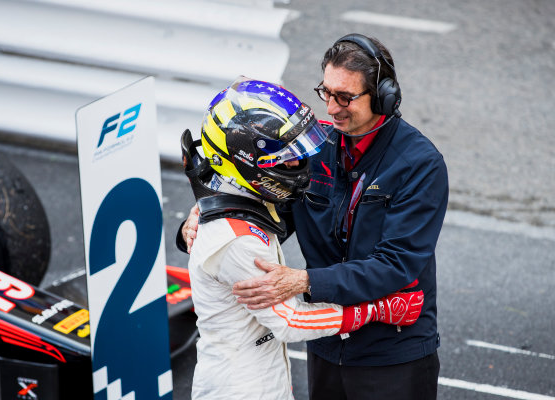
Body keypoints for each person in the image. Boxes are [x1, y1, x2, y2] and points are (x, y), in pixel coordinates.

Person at [180, 34, 449, 399]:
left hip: (391, 356)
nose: (333, 109)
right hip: (325, 348)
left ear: (385, 97)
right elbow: (272, 214)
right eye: (327, 92)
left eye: (346, 98)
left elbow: (395, 265)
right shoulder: (312, 147)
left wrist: (306, 281)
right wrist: (203, 219)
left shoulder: (421, 165)